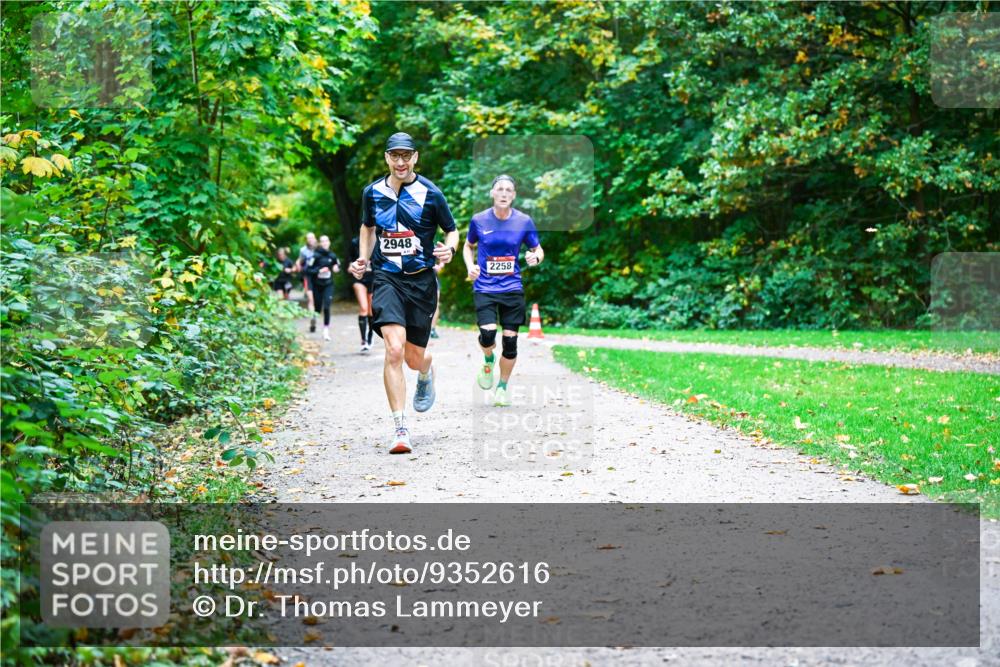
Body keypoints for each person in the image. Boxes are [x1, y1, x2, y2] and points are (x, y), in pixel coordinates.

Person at [349, 132, 458, 455]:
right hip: (386, 278)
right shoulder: (372, 193)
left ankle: (426, 368)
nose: (400, 162)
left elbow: (451, 230)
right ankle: (400, 428)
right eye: (394, 156)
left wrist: (449, 250)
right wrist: (363, 259)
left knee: (413, 357)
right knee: (394, 350)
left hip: (421, 281)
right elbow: (368, 227)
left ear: (415, 158)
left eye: (406, 156)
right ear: (386, 158)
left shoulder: (431, 193)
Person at [462, 174, 543, 406]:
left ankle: (502, 387)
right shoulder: (479, 220)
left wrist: (535, 257)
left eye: (509, 190)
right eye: (500, 189)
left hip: (512, 288)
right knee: (488, 335)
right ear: (492, 193)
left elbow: (538, 249)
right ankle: (488, 359)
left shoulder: (524, 221)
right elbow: (468, 247)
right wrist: (470, 266)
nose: (504, 193)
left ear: (514, 195)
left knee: (510, 343)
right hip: (485, 287)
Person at [306, 235, 340, 341]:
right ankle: (314, 320)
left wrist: (336, 268)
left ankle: (326, 331)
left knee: (327, 307)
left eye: (326, 241)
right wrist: (319, 271)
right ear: (320, 243)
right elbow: (308, 270)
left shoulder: (332, 256)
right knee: (317, 308)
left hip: (328, 284)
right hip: (317, 285)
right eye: (322, 241)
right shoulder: (315, 256)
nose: (325, 243)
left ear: (329, 242)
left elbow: (337, 266)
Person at [350, 235, 375, 353]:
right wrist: (353, 268)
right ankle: (363, 340)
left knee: (371, 310)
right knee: (363, 308)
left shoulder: (379, 241)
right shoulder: (355, 242)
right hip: (359, 279)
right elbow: (350, 265)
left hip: (373, 279)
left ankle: (370, 334)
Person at [296, 232, 318, 332]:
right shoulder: (303, 250)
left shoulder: (319, 249)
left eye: (312, 238)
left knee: (317, 300)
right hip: (307, 276)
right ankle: (312, 317)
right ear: (306, 240)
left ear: (315, 239)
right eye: (308, 238)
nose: (310, 240)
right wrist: (298, 266)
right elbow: (299, 261)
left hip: (319, 277)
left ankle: (314, 315)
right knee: (310, 299)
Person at [429, 260, 443, 339]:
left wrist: (440, 265)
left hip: (434, 277)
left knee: (436, 304)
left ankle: (432, 329)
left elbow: (444, 256)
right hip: (417, 276)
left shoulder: (436, 246)